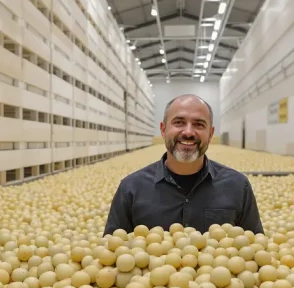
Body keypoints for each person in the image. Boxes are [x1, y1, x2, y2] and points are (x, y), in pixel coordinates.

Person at [103, 94, 264, 236]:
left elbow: (256, 250)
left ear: (210, 134)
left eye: (199, 124)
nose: (188, 132)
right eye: (179, 122)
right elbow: (110, 255)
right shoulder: (131, 189)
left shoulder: (237, 186)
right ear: (163, 129)